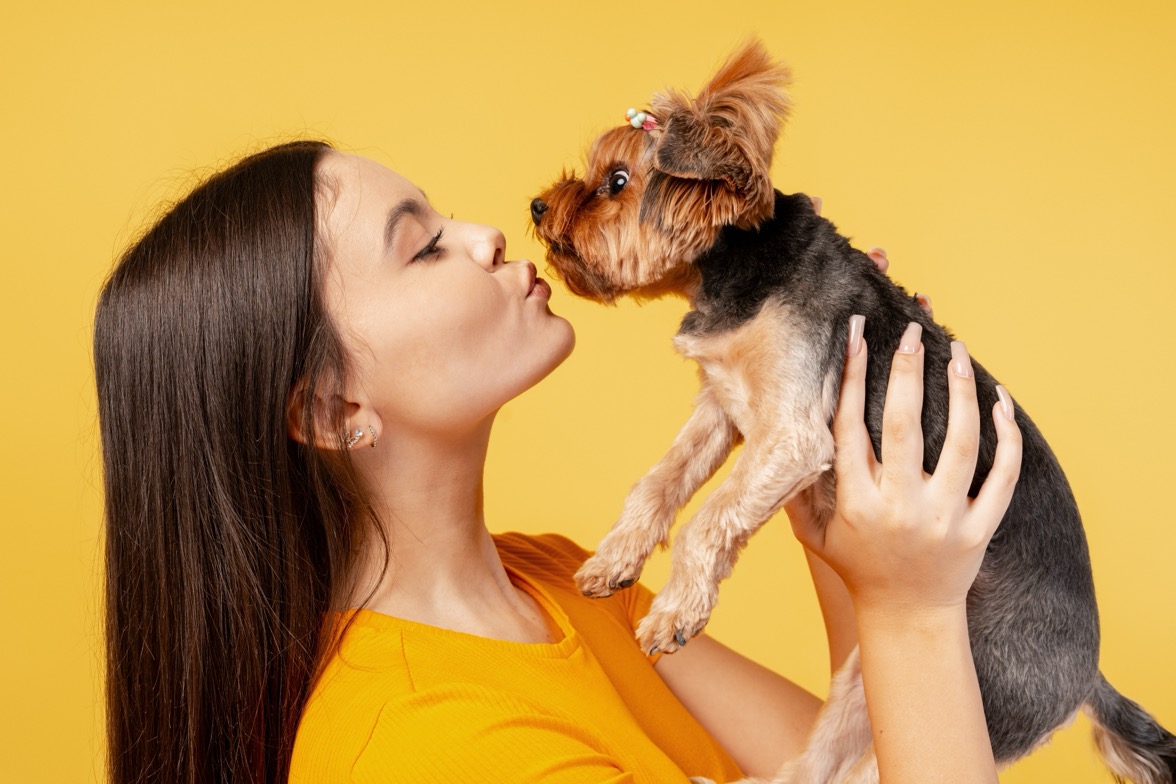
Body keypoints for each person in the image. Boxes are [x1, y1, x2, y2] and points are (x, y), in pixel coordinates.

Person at [94, 140, 1022, 784]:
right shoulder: (426, 746)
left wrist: (827, 446)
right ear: (336, 410)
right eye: (423, 246)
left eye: (446, 216)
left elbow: (865, 764)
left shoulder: (560, 581)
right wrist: (913, 606)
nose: (487, 236)